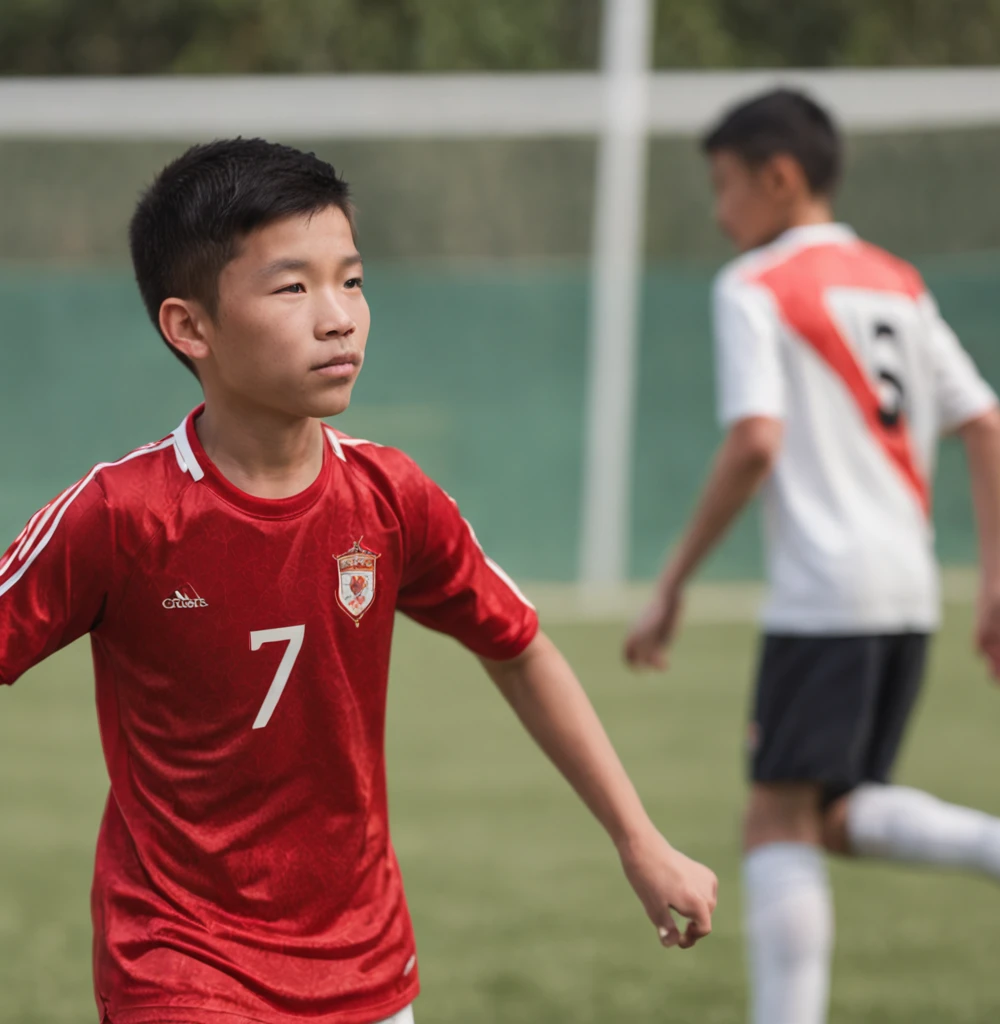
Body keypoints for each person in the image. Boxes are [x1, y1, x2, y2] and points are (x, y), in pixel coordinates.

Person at [0, 138, 717, 1024]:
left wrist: (638, 839)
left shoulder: (390, 498)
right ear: (190, 327)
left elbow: (518, 646)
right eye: (293, 287)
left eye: (353, 279)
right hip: (177, 964)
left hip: (365, 967)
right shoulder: (122, 515)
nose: (338, 316)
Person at [624, 89, 1000, 1024]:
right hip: (908, 592)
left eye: (724, 187)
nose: (720, 212)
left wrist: (673, 582)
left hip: (825, 592)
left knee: (774, 820)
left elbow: (756, 441)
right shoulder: (896, 281)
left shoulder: (755, 285)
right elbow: (987, 422)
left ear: (780, 177)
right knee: (836, 812)